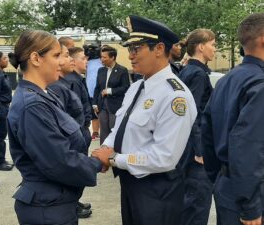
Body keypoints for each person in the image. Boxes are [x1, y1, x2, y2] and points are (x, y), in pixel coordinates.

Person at [92, 15, 197, 225]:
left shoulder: (175, 96)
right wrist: (102, 150)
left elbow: (164, 157)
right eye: (129, 49)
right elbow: (120, 128)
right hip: (131, 182)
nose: (130, 56)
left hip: (157, 191)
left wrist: (113, 159)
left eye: (136, 49)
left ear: (159, 49)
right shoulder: (137, 87)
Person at [7, 30, 102, 225]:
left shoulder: (44, 95)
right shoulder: (33, 105)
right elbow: (59, 161)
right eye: (57, 55)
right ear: (35, 58)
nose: (62, 62)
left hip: (56, 201)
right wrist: (97, 162)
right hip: (46, 209)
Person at [201, 13, 264, 225]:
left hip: (228, 185)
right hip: (253, 194)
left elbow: (206, 133)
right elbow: (248, 145)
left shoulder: (228, 79)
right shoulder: (260, 83)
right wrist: (251, 205)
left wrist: (218, 178)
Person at [49, 44, 93, 218]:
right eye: (64, 55)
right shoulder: (65, 83)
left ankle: (73, 202)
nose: (70, 61)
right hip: (75, 135)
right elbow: (66, 115)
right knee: (73, 173)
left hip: (80, 132)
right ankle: (71, 203)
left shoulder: (73, 80)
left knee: (76, 175)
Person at [178, 28, 216, 225]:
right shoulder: (198, 74)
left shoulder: (188, 70)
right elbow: (192, 114)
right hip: (196, 151)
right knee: (197, 204)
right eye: (213, 44)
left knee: (189, 201)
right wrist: (200, 150)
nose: (215, 49)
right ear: (201, 47)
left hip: (187, 146)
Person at [93, 46, 130, 144]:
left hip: (115, 106)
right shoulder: (101, 70)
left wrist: (110, 91)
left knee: (114, 129)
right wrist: (94, 104)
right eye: (101, 57)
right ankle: (103, 152)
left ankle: (114, 152)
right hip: (102, 106)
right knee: (104, 131)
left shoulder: (122, 70)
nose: (102, 59)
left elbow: (126, 87)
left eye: (104, 57)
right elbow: (97, 88)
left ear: (112, 57)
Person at [63, 47, 93, 149]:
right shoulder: (73, 81)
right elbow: (76, 110)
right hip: (79, 129)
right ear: (73, 61)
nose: (86, 62)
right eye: (83, 59)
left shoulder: (77, 79)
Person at [84, 43, 103, 140]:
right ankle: (95, 132)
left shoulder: (102, 61)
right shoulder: (87, 62)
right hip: (90, 90)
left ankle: (104, 130)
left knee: (101, 112)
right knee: (93, 114)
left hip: (100, 91)